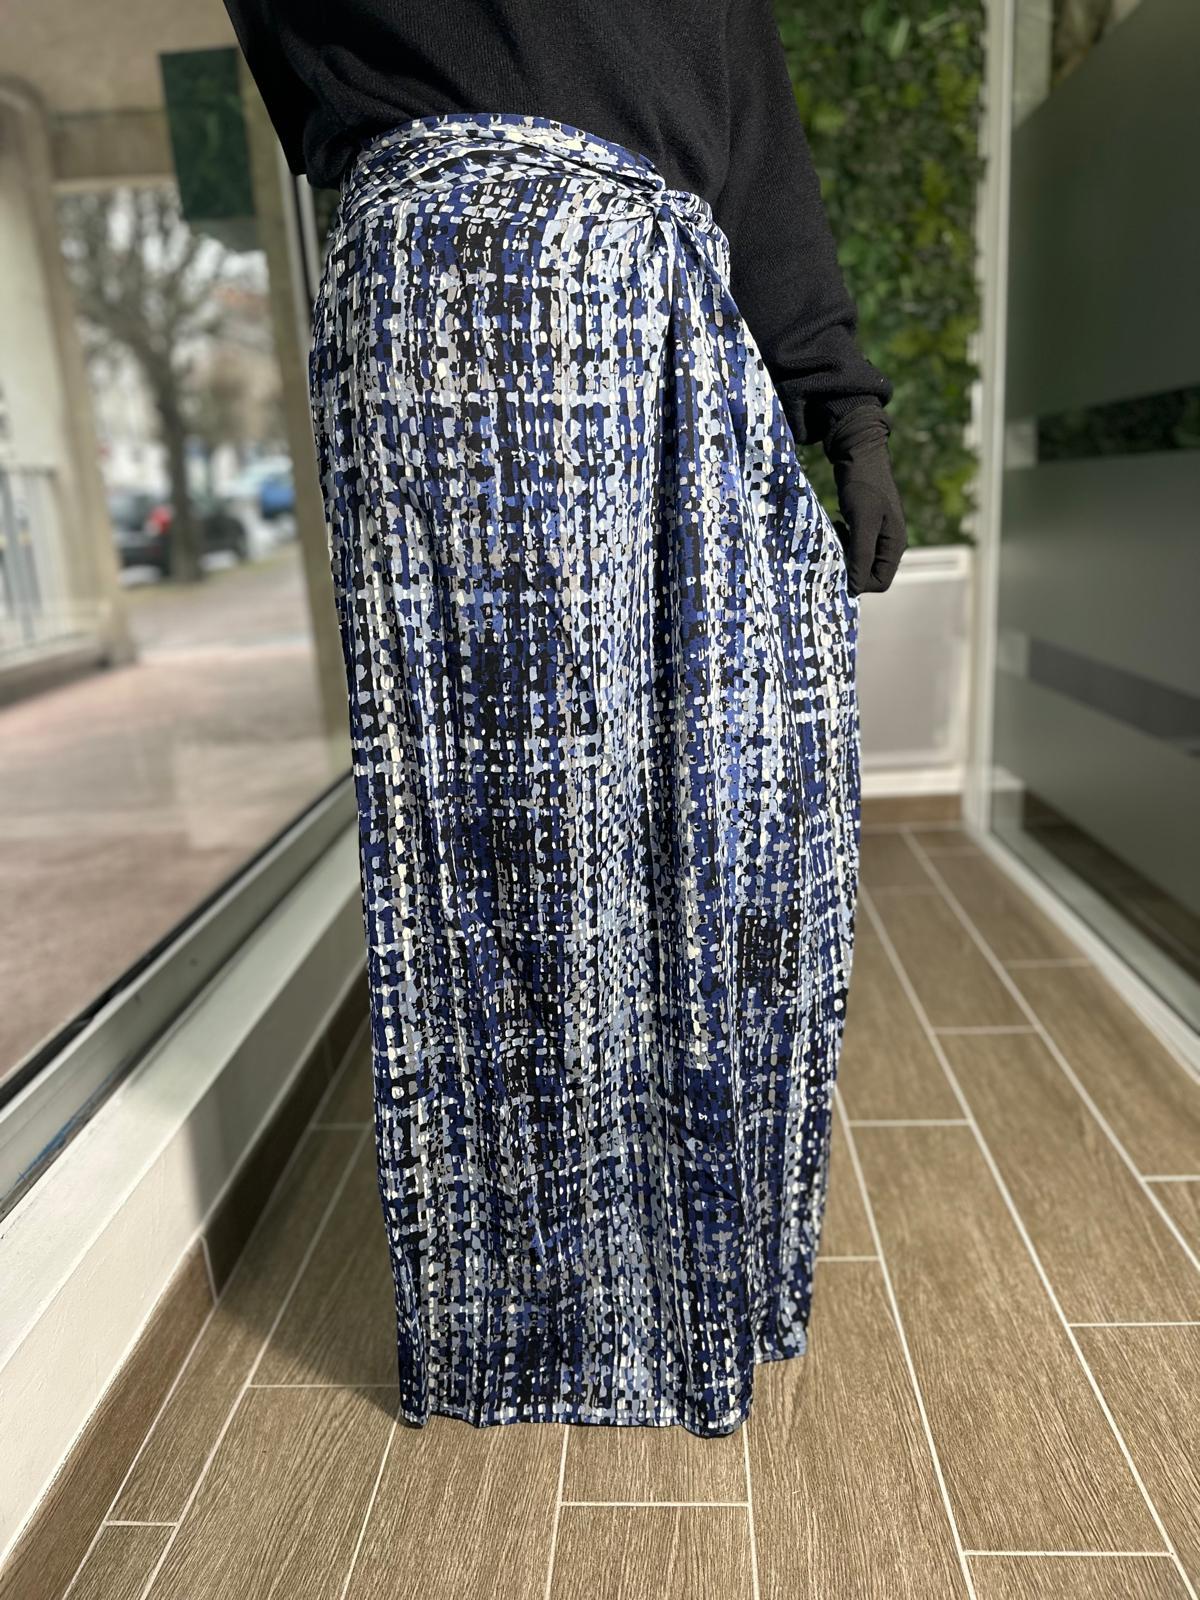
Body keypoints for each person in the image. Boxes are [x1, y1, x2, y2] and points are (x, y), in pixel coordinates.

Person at [224, 0, 906, 1437]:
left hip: (611, 286)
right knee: (511, 853)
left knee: (729, 822)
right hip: (462, 289)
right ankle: (553, 1322)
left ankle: (659, 1286)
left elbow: (739, 99)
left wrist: (845, 406)